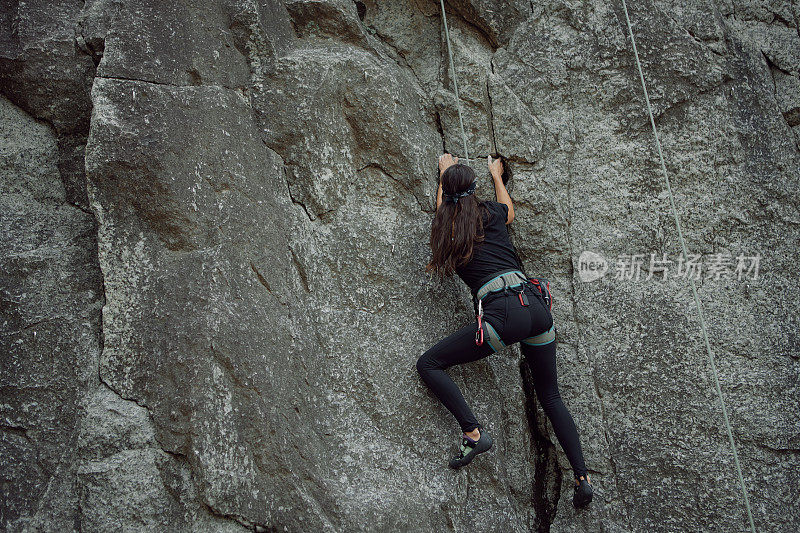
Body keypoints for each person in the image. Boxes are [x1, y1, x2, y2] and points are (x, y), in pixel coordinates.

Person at [416, 153, 593, 508]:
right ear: (472, 191)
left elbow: (443, 211)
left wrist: (443, 173)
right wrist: (497, 175)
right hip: (535, 306)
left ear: (444, 193)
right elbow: (507, 209)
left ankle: (472, 432)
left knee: (429, 364)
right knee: (551, 396)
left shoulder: (446, 231)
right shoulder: (491, 216)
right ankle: (583, 478)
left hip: (503, 315)